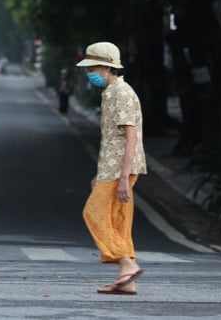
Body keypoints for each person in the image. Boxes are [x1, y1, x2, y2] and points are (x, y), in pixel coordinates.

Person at [76, 41, 147, 295]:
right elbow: (112, 140)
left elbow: (130, 137)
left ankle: (127, 264)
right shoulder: (110, 92)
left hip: (121, 168)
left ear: (106, 68)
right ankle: (127, 280)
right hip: (112, 167)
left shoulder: (122, 93)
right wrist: (101, 173)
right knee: (118, 220)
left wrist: (124, 178)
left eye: (92, 68)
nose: (89, 73)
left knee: (93, 212)